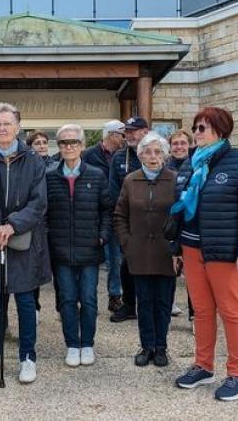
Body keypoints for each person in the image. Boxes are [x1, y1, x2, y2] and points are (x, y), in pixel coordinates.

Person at [173, 107, 238, 402]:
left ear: (220, 131)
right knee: (201, 310)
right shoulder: (189, 165)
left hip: (225, 250)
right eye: (195, 127)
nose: (196, 133)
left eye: (202, 128)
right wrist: (177, 248)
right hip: (191, 247)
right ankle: (203, 365)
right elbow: (182, 211)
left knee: (232, 311)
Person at [0, 102, 51, 384]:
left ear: (17, 126)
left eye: (7, 123)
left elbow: (39, 202)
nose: (2, 128)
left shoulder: (33, 160)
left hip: (24, 239)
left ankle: (27, 356)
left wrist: (13, 224)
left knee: (26, 301)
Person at [46, 124, 112, 367]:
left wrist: (102, 236)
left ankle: (88, 344)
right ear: (59, 146)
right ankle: (72, 344)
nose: (69, 146)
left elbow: (107, 210)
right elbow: (44, 212)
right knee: (67, 299)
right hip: (61, 250)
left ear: (82, 145)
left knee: (89, 299)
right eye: (64, 142)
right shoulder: (50, 176)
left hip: (89, 250)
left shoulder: (96, 175)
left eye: (74, 142)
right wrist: (48, 237)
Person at [114, 132, 176, 367]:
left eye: (158, 151)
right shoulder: (130, 180)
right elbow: (120, 215)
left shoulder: (174, 179)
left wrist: (177, 248)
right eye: (148, 151)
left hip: (166, 252)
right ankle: (146, 345)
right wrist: (126, 244)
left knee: (163, 303)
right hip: (138, 252)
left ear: (165, 155)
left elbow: (182, 216)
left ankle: (161, 347)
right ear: (140, 155)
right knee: (144, 302)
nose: (153, 156)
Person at [109, 116, 149, 323]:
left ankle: (149, 304)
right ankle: (128, 304)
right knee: (127, 264)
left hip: (153, 221)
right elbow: (113, 193)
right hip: (129, 222)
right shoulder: (118, 157)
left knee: (151, 264)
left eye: (135, 130)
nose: (130, 135)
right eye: (128, 131)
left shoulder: (155, 152)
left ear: (145, 131)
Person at [83, 120, 125, 312]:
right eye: (122, 135)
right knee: (99, 257)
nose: (124, 139)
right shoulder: (88, 155)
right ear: (112, 135)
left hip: (118, 212)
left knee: (117, 258)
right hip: (95, 214)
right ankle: (90, 298)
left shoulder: (125, 156)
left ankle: (116, 295)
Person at [165, 129, 195, 320]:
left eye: (183, 143)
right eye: (175, 143)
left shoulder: (196, 164)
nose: (179, 147)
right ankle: (169, 306)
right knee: (170, 270)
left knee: (192, 274)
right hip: (170, 225)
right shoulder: (164, 166)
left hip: (190, 224)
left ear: (190, 145)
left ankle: (194, 313)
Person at [26, 129, 55, 321]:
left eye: (45, 142)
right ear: (30, 147)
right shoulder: (27, 167)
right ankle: (34, 307)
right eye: (38, 143)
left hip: (54, 224)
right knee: (33, 269)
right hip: (36, 224)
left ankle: (62, 307)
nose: (43, 145)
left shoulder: (56, 166)